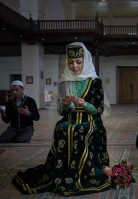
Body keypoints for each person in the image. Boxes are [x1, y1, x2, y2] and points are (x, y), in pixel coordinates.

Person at [12, 42, 112, 196]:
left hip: (90, 120)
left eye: (78, 62)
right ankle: (63, 173)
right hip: (70, 118)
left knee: (79, 130)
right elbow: (60, 111)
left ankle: (82, 172)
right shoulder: (64, 82)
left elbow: (98, 110)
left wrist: (85, 104)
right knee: (62, 128)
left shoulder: (95, 81)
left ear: (85, 61)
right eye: (70, 62)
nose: (74, 66)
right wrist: (65, 104)